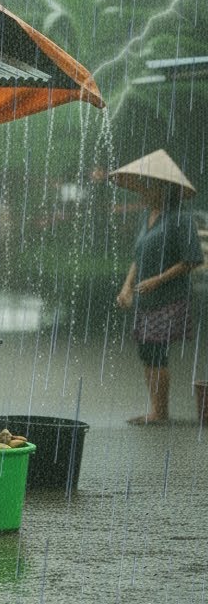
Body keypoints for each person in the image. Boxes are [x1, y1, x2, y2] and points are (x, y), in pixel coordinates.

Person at [110, 149, 202, 426]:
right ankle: (156, 409)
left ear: (164, 189)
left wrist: (158, 279)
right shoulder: (148, 216)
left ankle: (160, 412)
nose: (142, 191)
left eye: (148, 186)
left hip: (168, 297)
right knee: (146, 351)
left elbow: (191, 260)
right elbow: (138, 257)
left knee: (155, 349)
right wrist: (127, 287)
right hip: (145, 297)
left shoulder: (180, 218)